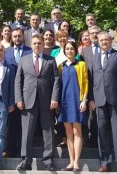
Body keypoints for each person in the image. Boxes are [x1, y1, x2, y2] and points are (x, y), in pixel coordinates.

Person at [15, 34, 60, 171]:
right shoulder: (24, 60)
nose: (37, 46)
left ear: (43, 44)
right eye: (34, 43)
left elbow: (57, 81)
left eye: (39, 43)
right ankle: (26, 160)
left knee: (48, 131)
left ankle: (48, 161)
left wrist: (54, 98)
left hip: (46, 100)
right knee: (27, 132)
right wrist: (18, 99)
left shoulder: (51, 60)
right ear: (31, 45)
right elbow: (18, 81)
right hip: (28, 100)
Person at [88, 31, 117, 174]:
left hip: (116, 99)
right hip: (99, 100)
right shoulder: (94, 59)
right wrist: (91, 99)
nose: (104, 42)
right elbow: (91, 80)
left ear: (111, 40)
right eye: (101, 40)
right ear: (98, 42)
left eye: (106, 40)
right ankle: (105, 162)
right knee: (102, 132)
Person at [58, 41, 88, 172]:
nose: (69, 51)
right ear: (64, 51)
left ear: (76, 51)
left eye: (72, 49)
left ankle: (76, 162)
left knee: (77, 132)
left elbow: (86, 83)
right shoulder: (61, 66)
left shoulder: (81, 65)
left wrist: (84, 100)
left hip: (77, 100)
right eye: (67, 49)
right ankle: (70, 161)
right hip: (64, 102)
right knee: (68, 133)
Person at [3, 28, 32, 158]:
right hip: (10, 93)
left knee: (24, 124)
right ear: (11, 38)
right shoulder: (6, 52)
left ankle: (23, 151)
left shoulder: (29, 51)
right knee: (11, 123)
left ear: (23, 37)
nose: (17, 38)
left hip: (26, 93)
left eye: (19, 36)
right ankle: (9, 149)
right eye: (14, 36)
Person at [80, 25, 101, 148]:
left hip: (104, 88)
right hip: (90, 88)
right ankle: (92, 141)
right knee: (91, 117)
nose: (94, 35)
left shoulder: (106, 48)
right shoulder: (85, 50)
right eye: (92, 33)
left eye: (96, 32)